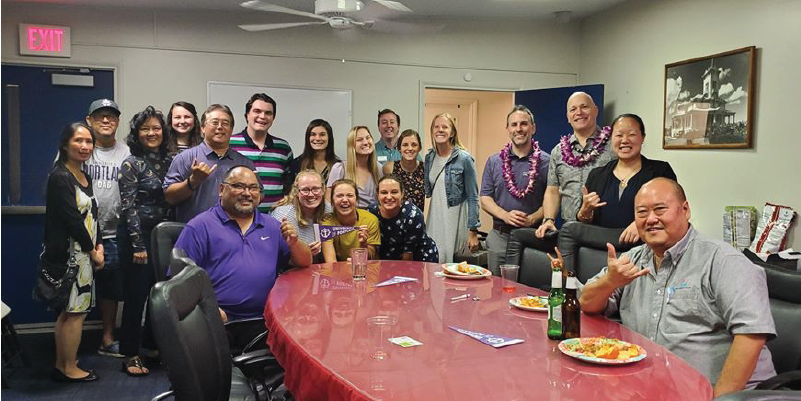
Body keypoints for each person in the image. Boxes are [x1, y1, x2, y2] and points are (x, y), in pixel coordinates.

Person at [580, 178, 776, 397]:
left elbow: (751, 335)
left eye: (660, 209)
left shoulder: (723, 261)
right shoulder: (633, 259)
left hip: (724, 394)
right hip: (653, 388)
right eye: (642, 212)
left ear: (685, 210)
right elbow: (586, 303)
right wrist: (610, 282)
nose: (651, 219)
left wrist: (722, 397)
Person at [174, 165, 312, 348]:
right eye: (239, 186)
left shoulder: (272, 226)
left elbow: (304, 262)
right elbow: (178, 281)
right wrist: (207, 309)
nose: (247, 193)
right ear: (221, 190)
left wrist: (294, 243)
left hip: (268, 321)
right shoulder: (200, 226)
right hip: (219, 322)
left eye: (253, 188)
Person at [558, 113, 677, 272]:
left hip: (640, 242)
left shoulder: (660, 171)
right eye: (619, 135)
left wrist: (641, 223)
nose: (624, 140)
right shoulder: (597, 175)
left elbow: (671, 210)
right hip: (602, 242)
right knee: (569, 229)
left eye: (632, 134)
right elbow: (584, 222)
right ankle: (566, 288)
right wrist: (585, 211)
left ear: (642, 137)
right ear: (611, 140)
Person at [44, 122, 104, 382]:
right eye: (78, 141)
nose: (84, 146)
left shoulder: (83, 175)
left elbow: (92, 214)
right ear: (65, 144)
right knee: (75, 313)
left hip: (85, 254)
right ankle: (68, 368)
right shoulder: (60, 177)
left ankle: (63, 363)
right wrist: (93, 251)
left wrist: (98, 244)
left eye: (89, 142)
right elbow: (72, 220)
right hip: (71, 257)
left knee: (70, 312)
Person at [117, 106, 173, 376]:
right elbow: (128, 208)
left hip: (162, 236)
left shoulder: (171, 161)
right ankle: (129, 353)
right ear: (137, 134)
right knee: (136, 296)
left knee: (158, 293)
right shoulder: (131, 163)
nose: (152, 133)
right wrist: (138, 246)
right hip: (135, 236)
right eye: (145, 128)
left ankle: (151, 346)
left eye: (156, 128)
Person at [83, 99, 129, 359]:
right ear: (89, 120)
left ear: (117, 122)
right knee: (74, 287)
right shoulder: (79, 148)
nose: (106, 120)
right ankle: (69, 340)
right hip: (81, 233)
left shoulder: (126, 152)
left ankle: (107, 338)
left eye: (111, 116)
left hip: (113, 232)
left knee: (111, 287)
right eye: (100, 116)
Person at [480, 106, 550, 274]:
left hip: (533, 238)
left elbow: (553, 199)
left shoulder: (547, 162)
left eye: (524, 124)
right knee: (497, 292)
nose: (519, 129)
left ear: (533, 128)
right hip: (501, 237)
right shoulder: (494, 162)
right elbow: (485, 199)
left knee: (530, 292)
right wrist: (505, 215)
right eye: (514, 125)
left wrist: (532, 219)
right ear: (508, 129)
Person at [535, 92, 616, 238]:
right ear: (568, 117)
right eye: (573, 109)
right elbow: (553, 190)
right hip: (569, 230)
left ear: (595, 110)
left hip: (605, 228)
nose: (579, 113)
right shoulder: (558, 151)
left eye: (584, 107)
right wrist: (548, 219)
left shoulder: (614, 146)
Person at [163, 104, 255, 223]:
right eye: (214, 122)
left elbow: (258, 195)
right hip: (194, 233)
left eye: (225, 123)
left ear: (232, 129)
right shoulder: (185, 158)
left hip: (234, 233)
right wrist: (193, 181)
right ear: (202, 127)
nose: (220, 127)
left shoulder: (244, 163)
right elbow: (170, 198)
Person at [424, 112, 479, 263]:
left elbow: (473, 196)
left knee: (451, 268)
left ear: (452, 132)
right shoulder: (430, 157)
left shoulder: (464, 158)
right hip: (435, 219)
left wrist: (473, 230)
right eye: (436, 127)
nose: (440, 130)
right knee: (433, 263)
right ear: (432, 131)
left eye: (444, 127)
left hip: (455, 219)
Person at [229, 93, 294, 211]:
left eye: (268, 113)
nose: (262, 116)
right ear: (247, 115)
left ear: (273, 118)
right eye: (257, 111)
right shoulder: (230, 144)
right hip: (237, 218)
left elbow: (289, 186)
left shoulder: (283, 148)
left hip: (274, 219)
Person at [368, 176, 438, 262]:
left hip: (418, 256)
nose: (389, 197)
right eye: (384, 192)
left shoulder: (413, 215)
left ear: (402, 194)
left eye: (394, 192)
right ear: (377, 195)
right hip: (387, 257)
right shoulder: (370, 213)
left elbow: (408, 257)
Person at [271, 170, 331, 261]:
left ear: (323, 190)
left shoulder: (328, 209)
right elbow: (275, 253)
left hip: (318, 265)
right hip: (289, 266)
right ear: (296, 192)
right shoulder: (283, 215)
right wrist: (302, 252)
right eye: (305, 190)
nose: (311, 194)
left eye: (316, 189)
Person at [321, 179, 381, 262]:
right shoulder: (326, 222)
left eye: (350, 195)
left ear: (356, 199)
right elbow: (331, 262)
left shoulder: (370, 219)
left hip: (364, 268)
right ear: (332, 200)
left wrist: (363, 245)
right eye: (339, 196)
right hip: (338, 269)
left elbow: (372, 257)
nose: (345, 200)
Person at [326, 126, 384, 208]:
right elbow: (328, 202)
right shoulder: (340, 168)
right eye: (359, 140)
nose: (365, 142)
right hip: (345, 217)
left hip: (373, 219)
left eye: (368, 138)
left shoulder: (379, 169)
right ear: (351, 145)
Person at [381, 129, 425, 211]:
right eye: (405, 145)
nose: (410, 148)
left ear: (419, 148)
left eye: (414, 145)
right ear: (399, 149)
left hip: (420, 219)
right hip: (396, 218)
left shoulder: (426, 168)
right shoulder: (389, 168)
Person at [288, 119, 340, 183]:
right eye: (313, 134)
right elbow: (289, 191)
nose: (317, 138)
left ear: (329, 138)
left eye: (322, 134)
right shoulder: (296, 164)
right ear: (308, 138)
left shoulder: (337, 165)